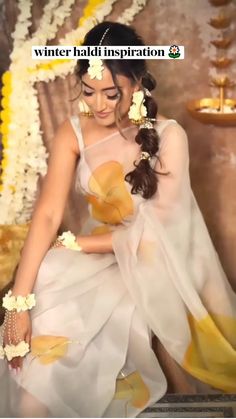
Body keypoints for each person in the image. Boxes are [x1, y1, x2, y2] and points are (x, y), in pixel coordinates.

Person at [0, 21, 236, 418]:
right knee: (40, 360)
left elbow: (162, 232)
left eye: (111, 93)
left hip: (155, 262)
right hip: (93, 259)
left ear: (138, 82)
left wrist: (79, 243)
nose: (99, 105)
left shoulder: (169, 136)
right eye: (89, 92)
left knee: (115, 331)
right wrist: (18, 305)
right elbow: (47, 214)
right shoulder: (72, 132)